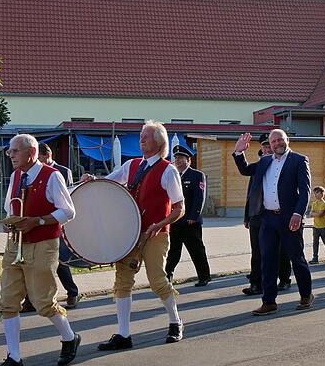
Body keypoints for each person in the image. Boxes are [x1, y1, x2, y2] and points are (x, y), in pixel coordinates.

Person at [83, 121, 186, 350]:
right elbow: (108, 182)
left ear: (159, 142)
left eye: (146, 137)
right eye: (141, 136)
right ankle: (123, 334)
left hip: (155, 234)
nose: (141, 140)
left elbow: (180, 208)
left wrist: (160, 224)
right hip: (129, 234)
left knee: (157, 281)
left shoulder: (168, 169)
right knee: (122, 282)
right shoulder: (131, 164)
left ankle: (175, 322)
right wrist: (92, 180)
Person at [0, 134, 80, 366]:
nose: (10, 155)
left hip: (43, 244)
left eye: (15, 151)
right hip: (16, 243)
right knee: (8, 303)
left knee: (43, 302)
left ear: (31, 153)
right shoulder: (16, 175)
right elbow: (9, 206)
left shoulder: (53, 176)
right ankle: (14, 358)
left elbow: (68, 211)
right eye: (10, 151)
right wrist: (9, 222)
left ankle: (69, 337)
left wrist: (38, 221)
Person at [233, 129, 314, 315]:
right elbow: (246, 170)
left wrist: (298, 213)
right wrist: (239, 152)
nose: (277, 144)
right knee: (267, 260)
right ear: (269, 145)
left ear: (287, 141)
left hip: (289, 218)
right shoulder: (265, 161)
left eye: (280, 140)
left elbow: (305, 191)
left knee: (296, 258)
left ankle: (306, 295)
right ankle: (269, 301)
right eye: (273, 141)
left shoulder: (299, 160)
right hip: (267, 218)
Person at [238, 134, 292, 295]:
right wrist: (247, 216)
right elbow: (251, 193)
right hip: (257, 214)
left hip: (277, 214)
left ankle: (284, 279)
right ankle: (256, 283)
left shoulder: (284, 164)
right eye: (265, 146)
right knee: (257, 251)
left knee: (281, 250)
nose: (268, 149)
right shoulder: (259, 165)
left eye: (269, 146)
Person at [34, 143, 80, 309]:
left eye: (38, 157)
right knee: (32, 261)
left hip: (56, 221)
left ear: (47, 155)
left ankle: (72, 292)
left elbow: (68, 198)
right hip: (38, 221)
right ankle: (32, 298)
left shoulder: (62, 171)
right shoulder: (33, 172)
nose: (36, 161)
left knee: (60, 260)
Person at [165, 144, 211, 287]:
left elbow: (199, 197)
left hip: (190, 222)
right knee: (173, 251)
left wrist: (194, 216)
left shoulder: (197, 175)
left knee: (196, 250)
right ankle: (168, 276)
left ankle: (204, 276)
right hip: (175, 221)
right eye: (176, 158)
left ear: (188, 160)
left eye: (181, 158)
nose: (178, 160)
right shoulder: (172, 176)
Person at [309, 186, 325, 264]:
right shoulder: (314, 203)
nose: (315, 195)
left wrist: (315, 213)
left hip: (323, 226)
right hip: (315, 226)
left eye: (317, 193)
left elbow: (320, 214)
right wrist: (315, 213)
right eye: (315, 193)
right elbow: (311, 214)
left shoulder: (324, 204)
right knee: (315, 242)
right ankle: (315, 257)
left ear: (322, 194)